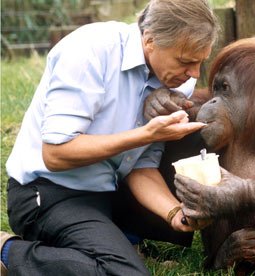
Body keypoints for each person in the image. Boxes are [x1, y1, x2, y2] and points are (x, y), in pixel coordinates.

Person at [1, 0, 219, 275]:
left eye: (201, 62)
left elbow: (141, 166)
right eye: (186, 61)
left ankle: (118, 238)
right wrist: (143, 135)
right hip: (48, 192)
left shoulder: (177, 79)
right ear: (150, 40)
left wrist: (174, 213)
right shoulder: (89, 51)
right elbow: (55, 154)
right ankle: (8, 250)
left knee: (196, 135)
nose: (194, 74)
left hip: (107, 191)